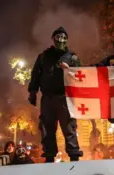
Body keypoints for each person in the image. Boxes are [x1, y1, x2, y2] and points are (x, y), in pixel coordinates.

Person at [28, 26, 83, 163]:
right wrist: (33, 92)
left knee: (69, 127)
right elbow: (35, 75)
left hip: (65, 97)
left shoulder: (72, 57)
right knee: (47, 128)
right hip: (47, 98)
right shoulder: (43, 57)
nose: (61, 40)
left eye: (63, 37)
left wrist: (70, 69)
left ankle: (74, 156)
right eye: (58, 37)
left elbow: (81, 75)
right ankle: (49, 156)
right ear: (53, 39)